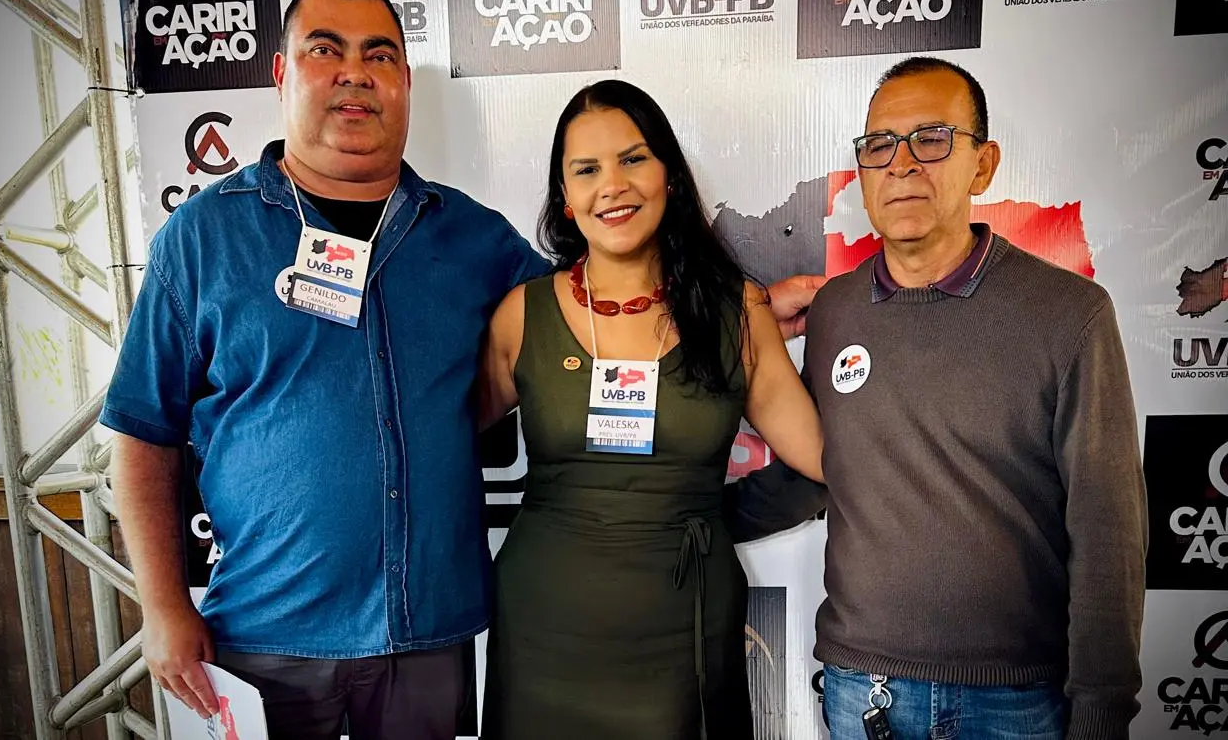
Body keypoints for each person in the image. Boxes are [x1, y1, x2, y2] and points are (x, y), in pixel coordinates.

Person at [102, 0, 549, 739]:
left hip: (425, 636)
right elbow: (142, 433)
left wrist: (733, 304)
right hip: (262, 639)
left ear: (405, 82)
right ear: (282, 73)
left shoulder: (474, 238)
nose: (355, 72)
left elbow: (596, 309)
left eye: (379, 54)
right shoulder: (203, 238)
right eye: (325, 49)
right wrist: (164, 605)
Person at [756, 57, 1147, 739]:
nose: (902, 164)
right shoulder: (837, 311)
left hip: (1017, 702)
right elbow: (828, 469)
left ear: (983, 165)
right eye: (880, 145)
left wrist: (1100, 711)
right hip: (862, 690)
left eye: (931, 139)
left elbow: (1108, 528)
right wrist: (675, 518)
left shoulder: (1070, 314)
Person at [476, 79, 826, 740]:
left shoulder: (737, 312)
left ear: (669, 175)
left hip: (684, 628)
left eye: (633, 159)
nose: (612, 185)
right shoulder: (523, 315)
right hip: (543, 632)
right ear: (565, 197)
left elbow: (826, 458)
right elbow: (431, 441)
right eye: (587, 169)